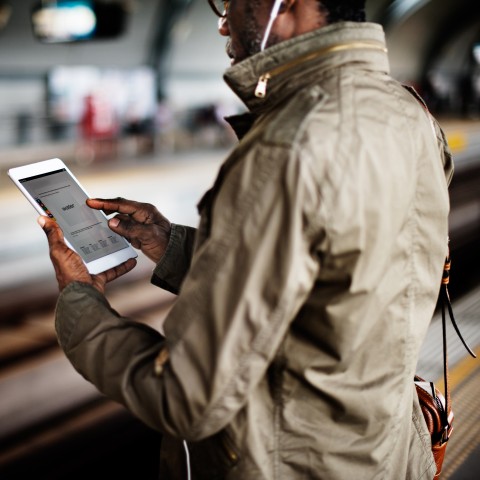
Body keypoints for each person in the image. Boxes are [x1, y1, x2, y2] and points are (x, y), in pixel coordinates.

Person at [38, 0, 454, 478]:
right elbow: (329, 279)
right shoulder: (405, 111)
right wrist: (168, 242)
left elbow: (186, 396)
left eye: (230, 3)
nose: (222, 23)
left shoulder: (289, 145)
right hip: (385, 451)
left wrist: (81, 302)